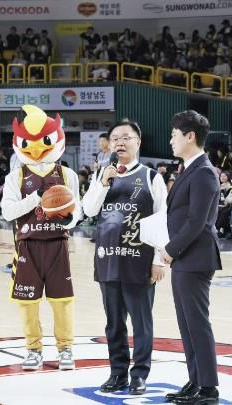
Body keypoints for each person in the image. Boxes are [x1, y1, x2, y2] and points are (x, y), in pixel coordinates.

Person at [82, 119, 167, 395]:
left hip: (139, 261)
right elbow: (89, 210)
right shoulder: (102, 175)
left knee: (141, 323)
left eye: (126, 137)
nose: (120, 142)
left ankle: (139, 374)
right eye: (115, 138)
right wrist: (102, 183)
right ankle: (117, 373)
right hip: (108, 259)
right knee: (114, 324)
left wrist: (158, 261)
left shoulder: (151, 176)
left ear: (137, 142)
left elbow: (162, 219)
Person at [0, 105, 81, 372]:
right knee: (27, 303)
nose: (36, 148)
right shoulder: (15, 177)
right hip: (27, 246)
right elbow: (8, 212)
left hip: (57, 244)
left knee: (62, 301)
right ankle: (33, 350)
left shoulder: (67, 175)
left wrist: (68, 219)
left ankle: (65, 349)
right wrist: (37, 198)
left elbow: (78, 212)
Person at [159, 110, 221, 404]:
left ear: (190, 136)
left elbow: (197, 222)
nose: (171, 140)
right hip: (185, 257)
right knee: (186, 324)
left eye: (174, 135)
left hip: (195, 257)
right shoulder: (189, 169)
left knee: (197, 323)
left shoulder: (204, 172)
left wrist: (170, 250)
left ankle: (208, 389)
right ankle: (196, 381)